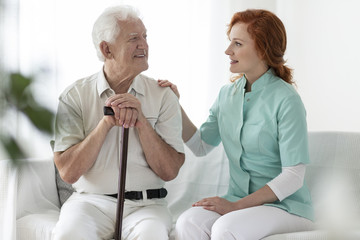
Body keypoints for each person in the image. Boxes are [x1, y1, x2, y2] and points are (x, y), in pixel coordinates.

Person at [158, 9, 314, 240]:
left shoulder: (287, 99)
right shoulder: (226, 95)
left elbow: (293, 176)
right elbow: (201, 146)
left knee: (226, 228)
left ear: (263, 48)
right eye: (230, 42)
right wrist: (174, 106)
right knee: (188, 221)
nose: (228, 50)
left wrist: (238, 206)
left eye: (237, 43)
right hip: (238, 200)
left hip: (285, 206)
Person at [52, 5, 185, 240]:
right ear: (107, 49)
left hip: (147, 207)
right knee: (68, 233)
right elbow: (68, 172)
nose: (144, 44)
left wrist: (142, 122)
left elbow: (170, 170)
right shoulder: (74, 96)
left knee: (152, 235)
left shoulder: (163, 95)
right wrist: (105, 124)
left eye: (145, 37)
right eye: (134, 38)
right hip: (90, 203)